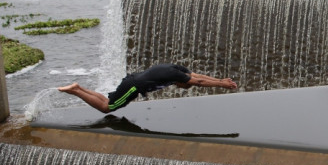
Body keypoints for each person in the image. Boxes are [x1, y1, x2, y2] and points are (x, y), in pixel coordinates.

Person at [58, 63, 237, 113]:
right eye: (185, 87)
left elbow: (197, 77)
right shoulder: (177, 75)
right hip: (133, 87)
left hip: (131, 80)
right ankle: (75, 91)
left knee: (107, 100)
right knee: (107, 107)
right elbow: (198, 82)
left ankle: (78, 87)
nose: (184, 87)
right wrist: (221, 85)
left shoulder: (177, 69)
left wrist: (220, 80)